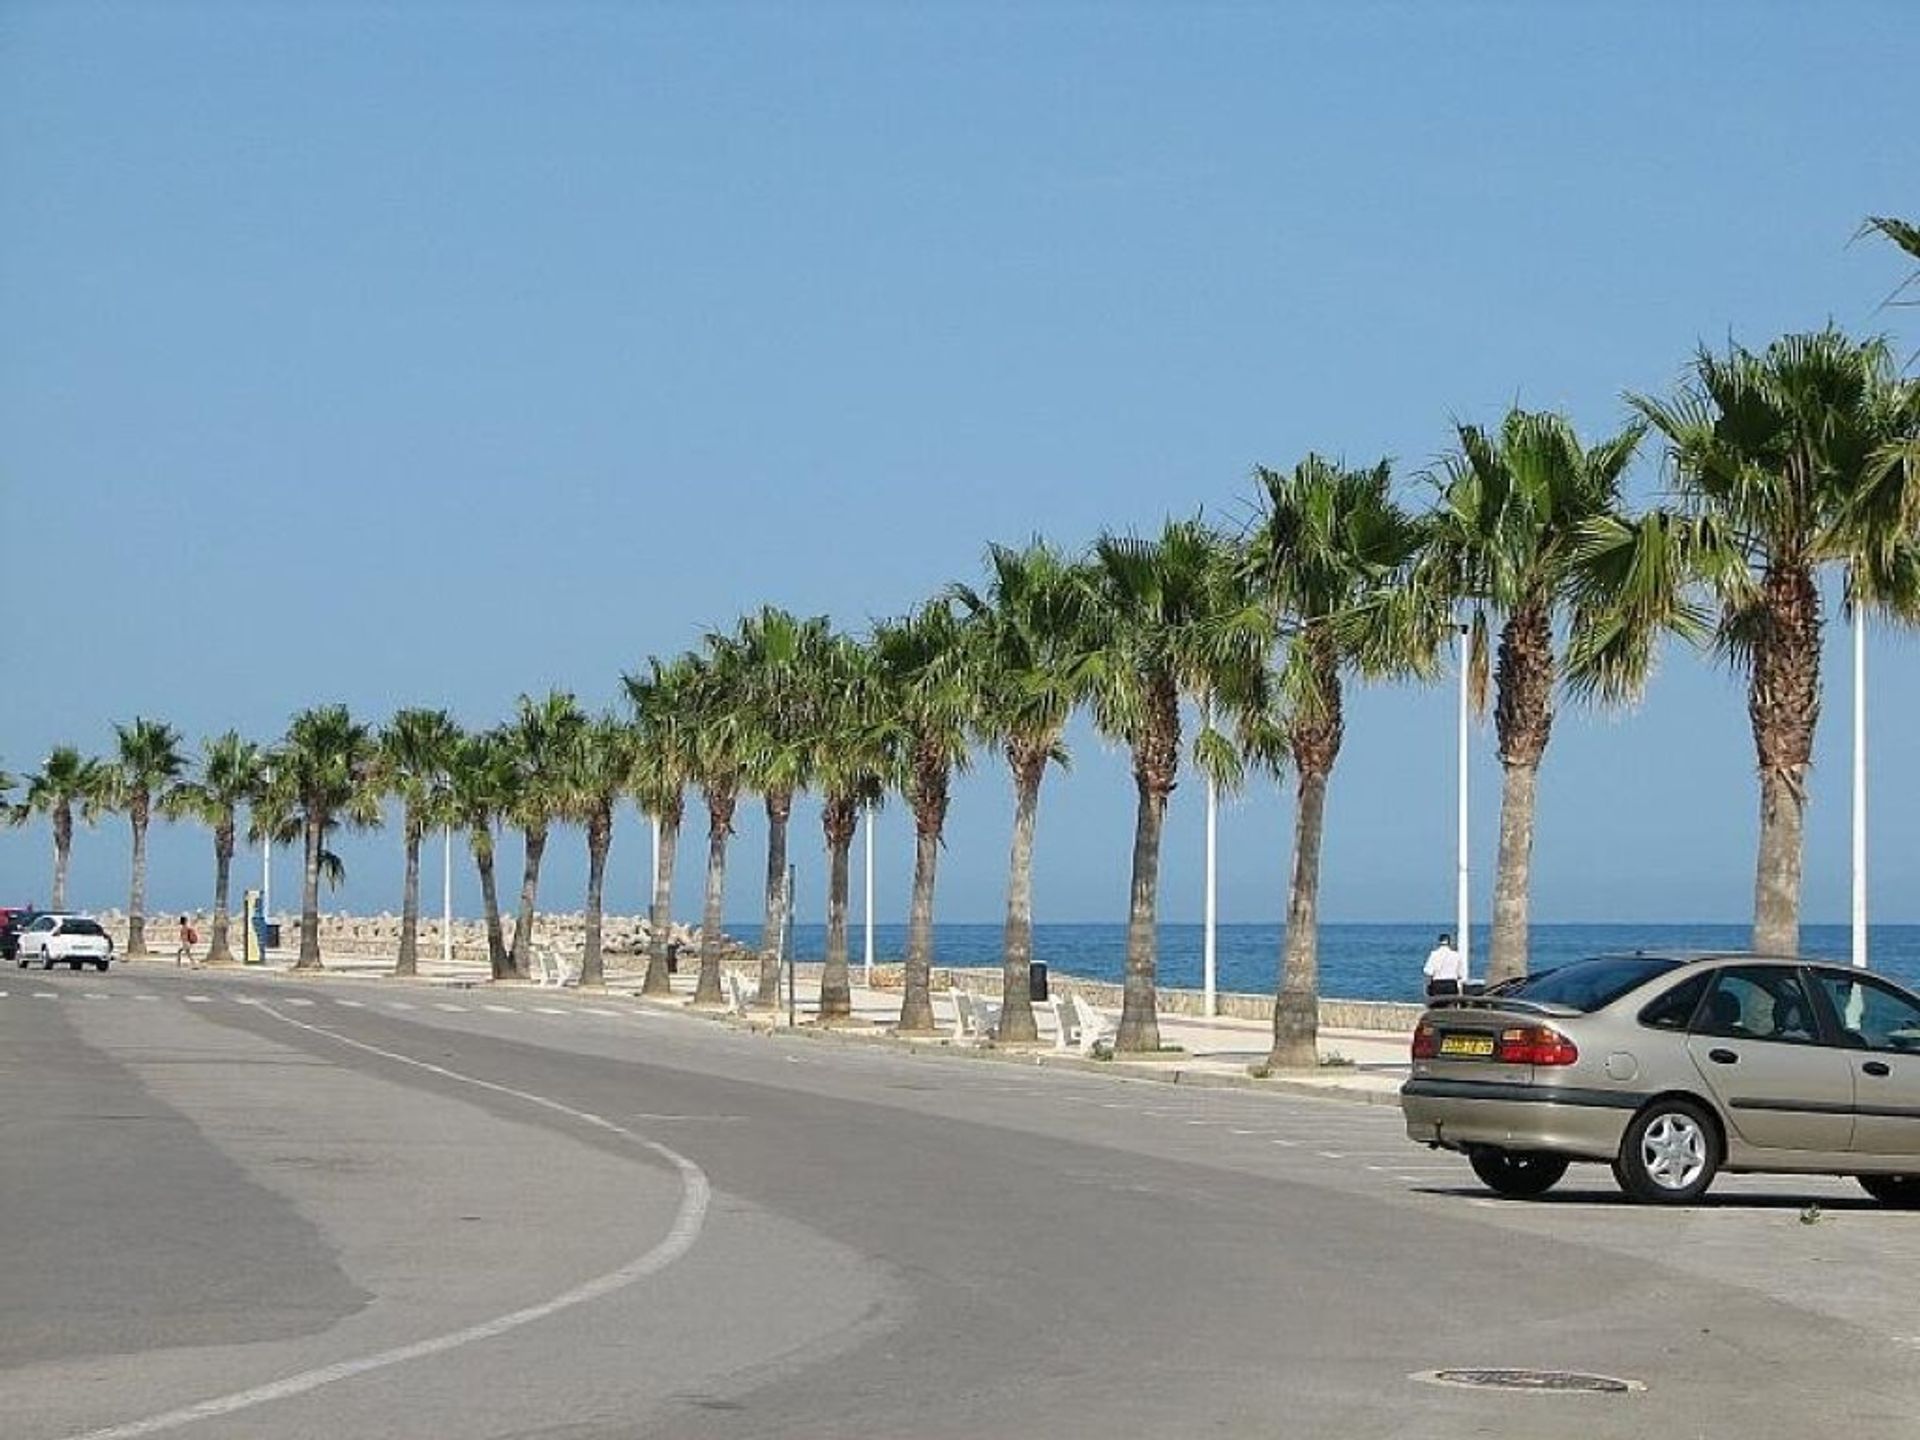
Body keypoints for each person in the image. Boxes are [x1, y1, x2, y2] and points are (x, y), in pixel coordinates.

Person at [1423, 931, 1464, 999]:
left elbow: (1428, 972)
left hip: (1438, 986)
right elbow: (1460, 974)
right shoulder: (1456, 955)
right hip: (1451, 985)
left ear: (1439, 942)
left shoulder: (1434, 955)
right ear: (1450, 943)